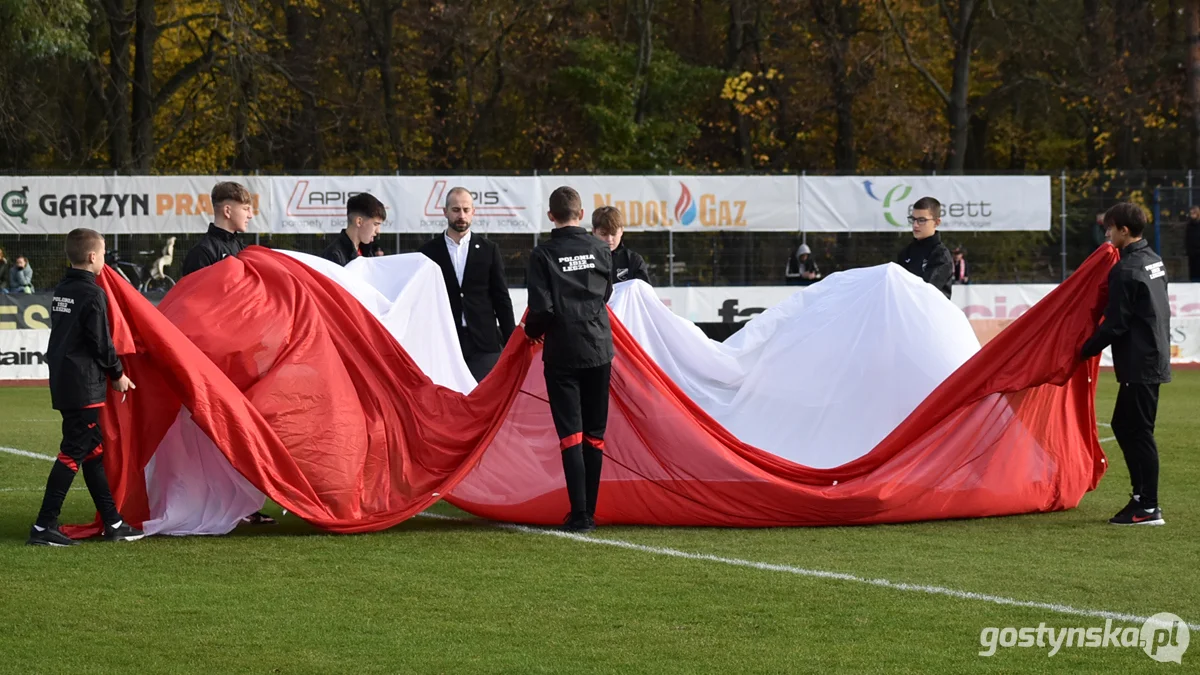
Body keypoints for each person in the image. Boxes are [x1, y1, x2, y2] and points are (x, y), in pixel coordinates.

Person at [27, 228, 143, 546]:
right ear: (92, 257)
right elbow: (100, 342)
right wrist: (117, 373)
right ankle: (43, 527)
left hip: (65, 379)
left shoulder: (63, 288)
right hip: (83, 384)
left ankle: (113, 522)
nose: (105, 259)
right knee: (75, 451)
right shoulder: (93, 294)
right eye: (103, 254)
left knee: (93, 451)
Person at [525, 186, 614, 533]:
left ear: (551, 216)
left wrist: (532, 331)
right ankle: (590, 510)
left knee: (571, 435)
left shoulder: (543, 254)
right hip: (599, 347)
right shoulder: (600, 249)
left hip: (563, 350)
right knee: (595, 434)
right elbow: (606, 294)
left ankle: (579, 513)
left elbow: (542, 307)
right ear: (580, 213)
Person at [1080, 202, 1171, 526]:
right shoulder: (1154, 261)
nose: (1106, 233)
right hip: (1151, 356)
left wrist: (1084, 350)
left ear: (1124, 231)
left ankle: (1148, 505)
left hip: (1140, 361)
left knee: (1138, 431)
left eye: (1110, 227)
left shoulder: (1126, 269)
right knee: (1126, 426)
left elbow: (1116, 323)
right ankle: (1141, 499)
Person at [419, 187, 516, 382]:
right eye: (455, 210)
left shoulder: (489, 249)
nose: (461, 215)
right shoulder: (428, 252)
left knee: (484, 401)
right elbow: (422, 300)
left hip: (484, 343)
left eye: (466, 209)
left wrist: (512, 341)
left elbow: (501, 298)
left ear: (473, 212)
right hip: (444, 341)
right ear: (445, 212)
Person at [182, 182, 253, 277]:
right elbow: (195, 291)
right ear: (227, 211)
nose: (250, 215)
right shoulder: (202, 253)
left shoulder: (242, 249)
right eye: (245, 209)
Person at [896, 196, 953, 299]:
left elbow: (926, 292)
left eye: (921, 220)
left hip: (932, 313)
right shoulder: (906, 252)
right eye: (913, 219)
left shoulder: (940, 255)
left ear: (937, 222)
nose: (915, 225)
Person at [321, 193, 386, 266]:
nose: (378, 231)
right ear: (359, 222)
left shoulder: (367, 251)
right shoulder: (333, 256)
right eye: (375, 224)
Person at [591, 206, 652, 284]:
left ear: (622, 231)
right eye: (603, 234)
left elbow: (643, 293)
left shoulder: (633, 260)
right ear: (594, 231)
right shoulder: (584, 259)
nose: (609, 239)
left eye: (613, 233)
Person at [1186, 205, 1200, 282]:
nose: (1192, 215)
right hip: (1192, 254)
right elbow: (1188, 238)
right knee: (1193, 272)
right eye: (1191, 213)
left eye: (1194, 213)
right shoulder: (1189, 225)